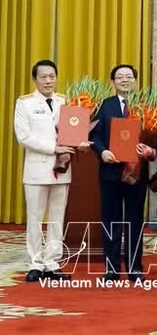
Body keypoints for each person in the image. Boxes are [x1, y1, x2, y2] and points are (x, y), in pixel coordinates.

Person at [14, 60, 85, 281]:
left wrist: (80, 142)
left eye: (52, 76)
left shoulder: (66, 101)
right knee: (35, 218)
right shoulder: (24, 103)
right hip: (36, 170)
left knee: (57, 218)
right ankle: (35, 262)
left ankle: (53, 262)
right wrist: (53, 148)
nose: (48, 81)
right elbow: (23, 136)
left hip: (61, 169)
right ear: (34, 79)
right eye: (43, 76)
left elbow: (73, 130)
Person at [91, 64, 154, 281]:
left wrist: (149, 150)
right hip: (110, 171)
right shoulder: (104, 105)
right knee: (111, 220)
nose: (125, 80)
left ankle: (135, 267)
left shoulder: (147, 107)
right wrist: (102, 151)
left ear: (136, 80)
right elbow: (95, 136)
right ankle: (112, 268)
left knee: (135, 220)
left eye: (129, 76)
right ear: (113, 82)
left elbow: (155, 136)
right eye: (120, 77)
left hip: (137, 173)